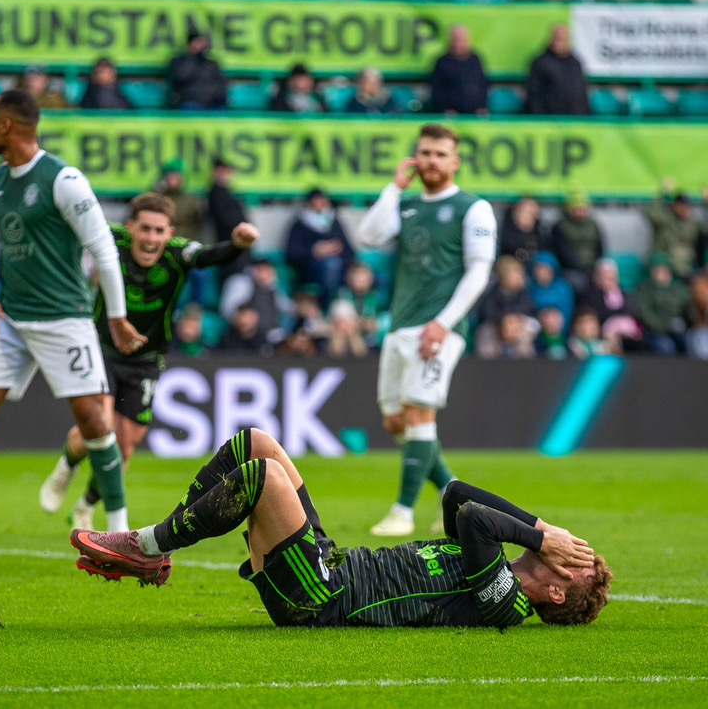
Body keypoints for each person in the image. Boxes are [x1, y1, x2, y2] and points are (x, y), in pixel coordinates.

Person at [70, 428, 610, 629]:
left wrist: (539, 535)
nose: (566, 545)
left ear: (558, 589)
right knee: (255, 442)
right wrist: (540, 531)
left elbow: (474, 519)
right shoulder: (490, 560)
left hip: (323, 598)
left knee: (264, 478)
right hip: (333, 564)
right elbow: (457, 494)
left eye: (572, 557)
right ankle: (159, 547)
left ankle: (146, 546)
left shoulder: (508, 605)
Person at [0, 90, 145, 559]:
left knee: (93, 420)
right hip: (10, 317)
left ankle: (120, 532)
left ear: (6, 125)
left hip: (65, 319)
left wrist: (117, 317)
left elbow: (105, 249)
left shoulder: (63, 179)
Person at [39, 193, 258, 530]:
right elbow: (67, 222)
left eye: (159, 231)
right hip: (103, 350)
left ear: (169, 232)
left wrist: (237, 245)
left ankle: (85, 506)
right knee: (100, 426)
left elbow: (209, 256)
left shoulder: (177, 253)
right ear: (130, 227)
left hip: (146, 359)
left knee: (124, 448)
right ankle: (65, 469)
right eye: (145, 229)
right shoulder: (109, 238)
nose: (151, 238)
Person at [355, 124, 498, 537]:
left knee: (419, 412)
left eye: (440, 154)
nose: (431, 160)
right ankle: (455, 498)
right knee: (395, 421)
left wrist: (443, 323)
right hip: (400, 324)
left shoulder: (474, 208)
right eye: (425, 153)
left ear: (455, 161)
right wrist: (394, 188)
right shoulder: (408, 203)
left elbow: (478, 273)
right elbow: (368, 235)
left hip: (439, 328)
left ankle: (402, 512)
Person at [285, 188, 354, 305]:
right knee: (331, 265)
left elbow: (350, 252)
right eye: (316, 201)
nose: (320, 205)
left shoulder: (334, 223)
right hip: (309, 271)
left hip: (340, 270)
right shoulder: (300, 224)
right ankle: (326, 305)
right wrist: (314, 251)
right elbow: (292, 254)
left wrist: (336, 249)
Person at [645, 181, 707, 279]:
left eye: (687, 206)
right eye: (681, 205)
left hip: (687, 269)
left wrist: (706, 203)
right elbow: (650, 212)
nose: (685, 208)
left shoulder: (693, 223)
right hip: (664, 269)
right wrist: (663, 193)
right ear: (674, 205)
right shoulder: (665, 219)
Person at [526, 25, 590, 116]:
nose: (560, 42)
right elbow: (534, 94)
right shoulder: (540, 62)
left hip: (575, 120)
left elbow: (582, 91)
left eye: (564, 38)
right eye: (558, 38)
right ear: (550, 39)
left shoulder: (575, 62)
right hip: (550, 121)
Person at [634, 254, 690, 355]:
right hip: (655, 331)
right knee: (666, 347)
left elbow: (686, 310)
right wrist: (665, 326)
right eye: (656, 270)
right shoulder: (645, 288)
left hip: (678, 330)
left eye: (663, 270)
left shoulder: (679, 288)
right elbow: (646, 314)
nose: (660, 274)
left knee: (689, 343)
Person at [552, 191, 605, 292]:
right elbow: (563, 253)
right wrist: (582, 268)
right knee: (578, 283)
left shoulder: (593, 225)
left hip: (591, 268)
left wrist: (593, 268)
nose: (580, 211)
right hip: (571, 269)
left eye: (583, 208)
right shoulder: (561, 227)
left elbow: (600, 249)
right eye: (577, 209)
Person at [430, 25, 488, 115]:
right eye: (456, 40)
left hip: (475, 113)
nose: (459, 44)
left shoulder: (475, 59)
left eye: (462, 40)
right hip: (451, 114)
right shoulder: (442, 62)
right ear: (450, 41)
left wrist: (482, 106)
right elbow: (437, 89)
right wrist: (444, 109)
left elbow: (482, 84)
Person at [206, 155, 248, 275]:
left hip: (236, 250)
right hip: (230, 249)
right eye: (221, 171)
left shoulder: (225, 193)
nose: (225, 174)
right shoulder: (216, 195)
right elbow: (227, 222)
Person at [167, 31, 228, 110]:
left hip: (212, 103)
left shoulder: (211, 63)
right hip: (190, 101)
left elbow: (220, 83)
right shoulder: (179, 61)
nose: (201, 47)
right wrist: (192, 57)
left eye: (203, 44)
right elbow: (182, 77)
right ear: (190, 44)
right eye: (198, 43)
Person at [150, 159, 201, 240]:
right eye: (171, 176)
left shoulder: (189, 201)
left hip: (183, 241)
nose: (173, 180)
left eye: (177, 177)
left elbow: (195, 224)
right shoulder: (157, 197)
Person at [527, 251, 575, 326]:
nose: (541, 273)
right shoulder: (529, 287)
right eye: (538, 269)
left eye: (545, 269)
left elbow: (567, 310)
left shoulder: (563, 288)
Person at [500, 196, 548, 264]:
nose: (526, 215)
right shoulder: (506, 232)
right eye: (524, 211)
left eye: (531, 212)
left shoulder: (541, 232)